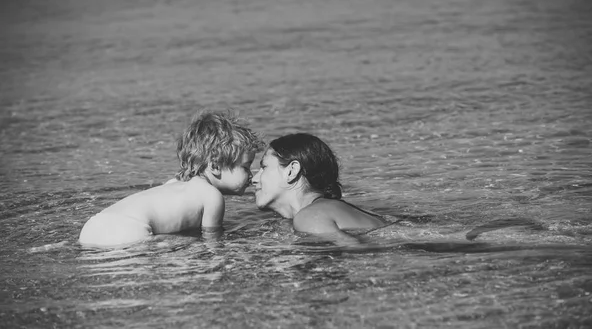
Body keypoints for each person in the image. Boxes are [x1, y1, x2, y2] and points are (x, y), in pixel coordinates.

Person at [79, 110, 265, 248]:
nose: (251, 175)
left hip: (95, 224)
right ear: (215, 166)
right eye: (246, 167)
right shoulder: (212, 196)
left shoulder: (175, 184)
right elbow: (212, 242)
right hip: (130, 231)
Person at [252, 133, 384, 244]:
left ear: (292, 171)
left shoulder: (309, 217)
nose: (254, 179)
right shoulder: (319, 211)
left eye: (264, 167)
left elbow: (362, 257)